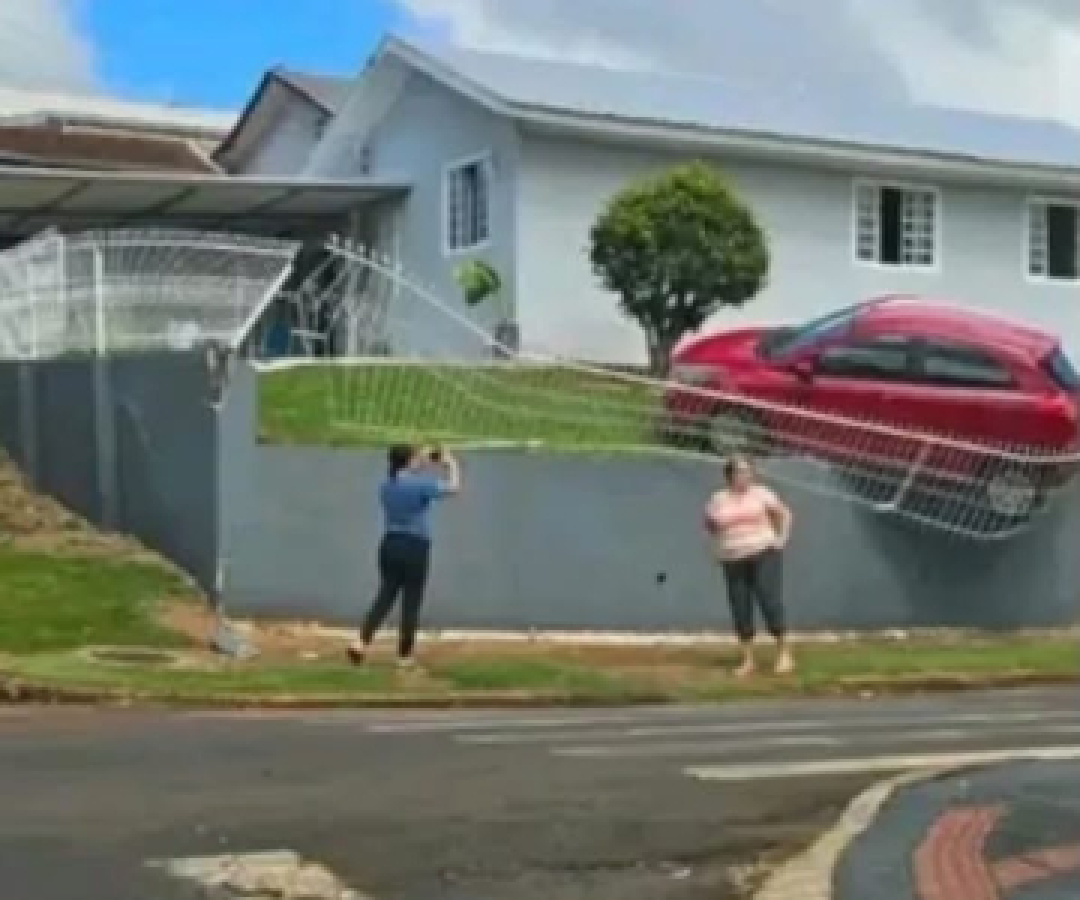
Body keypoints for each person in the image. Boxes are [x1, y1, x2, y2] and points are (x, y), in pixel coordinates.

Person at [348, 443, 460, 667]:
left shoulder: (386, 486)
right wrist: (451, 464)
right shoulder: (420, 484)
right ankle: (404, 655)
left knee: (385, 596)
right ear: (408, 461)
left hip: (390, 544)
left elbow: (409, 472)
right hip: (415, 546)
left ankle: (361, 641)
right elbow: (453, 488)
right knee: (411, 601)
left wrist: (423, 459)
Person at [704, 454, 794, 677]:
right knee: (740, 605)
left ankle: (784, 654)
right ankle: (748, 659)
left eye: (748, 471)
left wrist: (781, 539)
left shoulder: (762, 494)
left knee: (768, 599)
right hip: (733, 557)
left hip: (763, 552)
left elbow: (785, 514)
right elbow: (712, 527)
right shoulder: (718, 499)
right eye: (739, 472)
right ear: (730, 476)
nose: (744, 476)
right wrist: (716, 550)